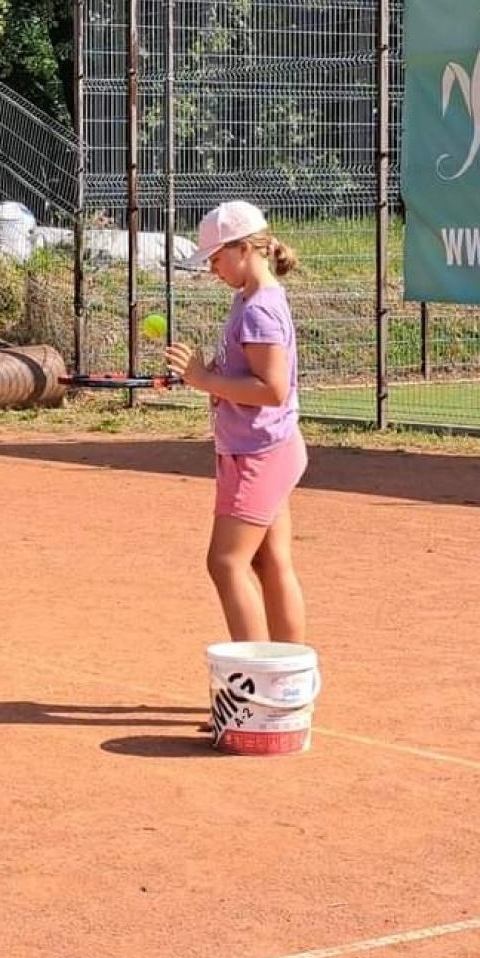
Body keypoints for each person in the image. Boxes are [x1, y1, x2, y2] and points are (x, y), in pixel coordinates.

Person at [164, 201, 307, 644]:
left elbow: (272, 388)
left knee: (225, 563)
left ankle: (257, 689)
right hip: (267, 447)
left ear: (244, 249)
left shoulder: (258, 309)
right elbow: (249, 380)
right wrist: (206, 377)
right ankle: (284, 686)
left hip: (258, 453)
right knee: (269, 561)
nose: (213, 270)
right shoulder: (252, 298)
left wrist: (205, 378)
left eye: (216, 258)